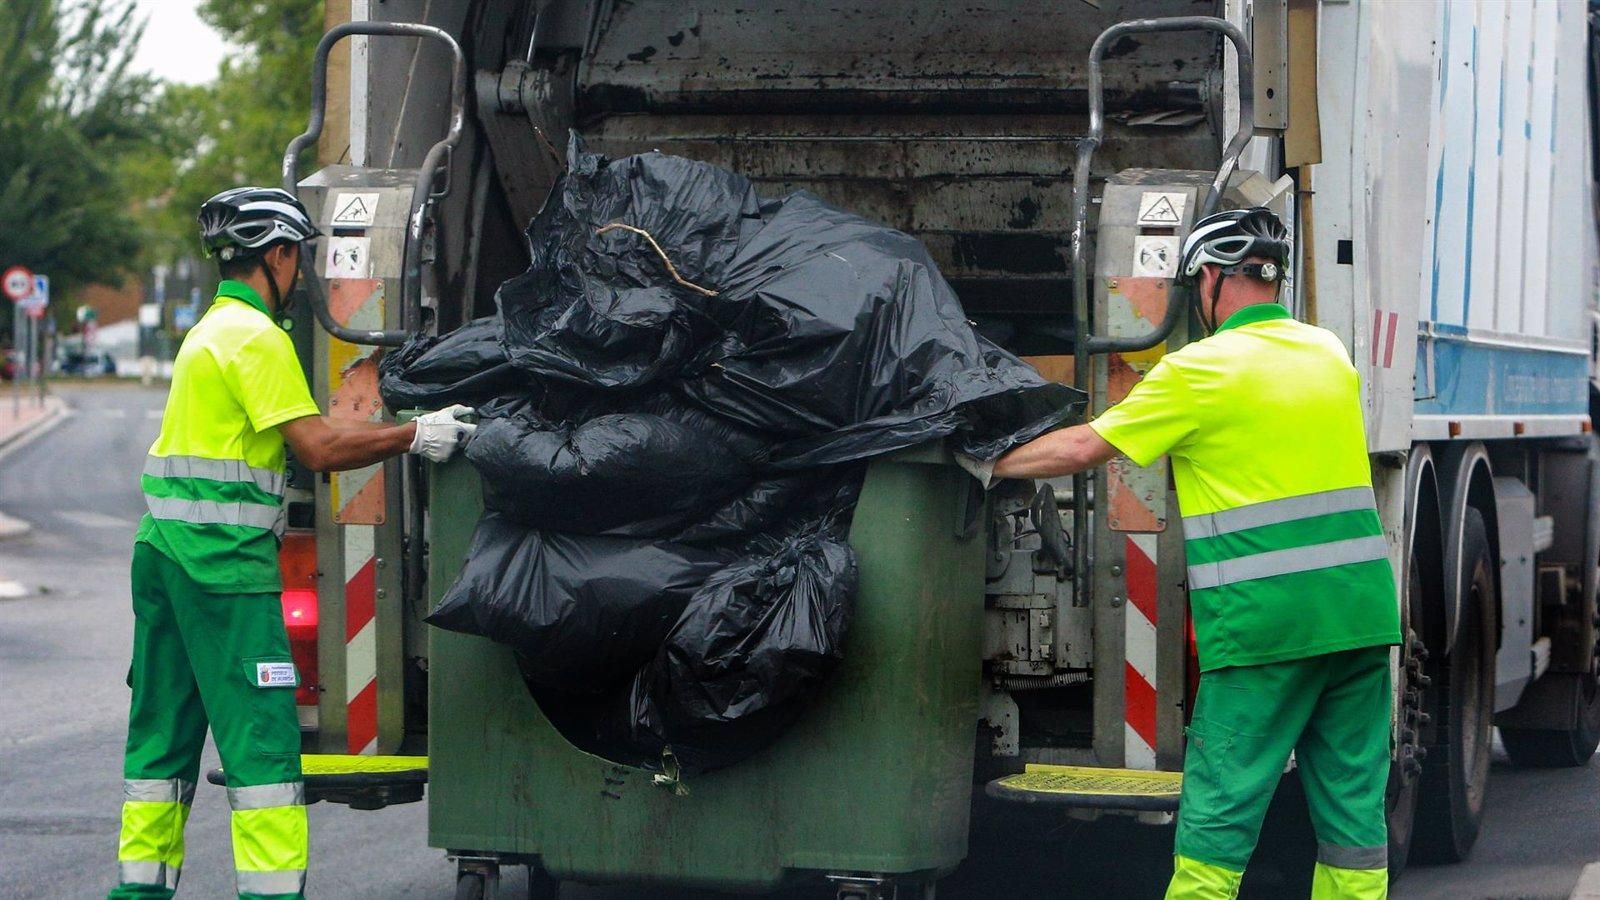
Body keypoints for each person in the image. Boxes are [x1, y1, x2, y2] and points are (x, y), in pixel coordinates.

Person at [986, 207, 1401, 899]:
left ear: (1208, 278)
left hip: (1265, 628)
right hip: (1360, 619)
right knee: (1354, 823)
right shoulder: (1329, 354)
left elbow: (1084, 447)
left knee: (1218, 824)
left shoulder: (1199, 370)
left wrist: (983, 462)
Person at [111, 187, 476, 900]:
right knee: (264, 754)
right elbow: (317, 447)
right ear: (278, 255)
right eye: (298, 256)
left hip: (162, 558)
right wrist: (413, 434)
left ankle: (137, 892)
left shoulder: (208, 332)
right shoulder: (258, 338)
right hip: (222, 567)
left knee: (159, 744)